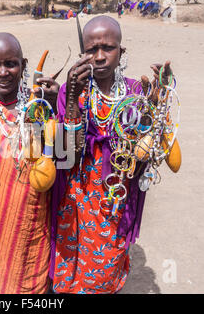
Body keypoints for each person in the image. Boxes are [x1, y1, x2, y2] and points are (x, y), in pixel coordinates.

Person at [51, 15, 179, 294]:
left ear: (121, 51)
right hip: (75, 197)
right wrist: (72, 97)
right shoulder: (71, 90)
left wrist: (159, 102)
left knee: (104, 268)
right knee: (69, 263)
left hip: (115, 196)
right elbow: (65, 153)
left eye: (107, 48)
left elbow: (149, 150)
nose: (98, 56)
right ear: (82, 52)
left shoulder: (134, 91)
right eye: (90, 49)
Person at [0, 32, 59, 293]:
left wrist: (52, 108)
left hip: (29, 218)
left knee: (30, 283)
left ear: (24, 64)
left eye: (11, 63)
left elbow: (63, 157)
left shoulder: (39, 108)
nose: (3, 72)